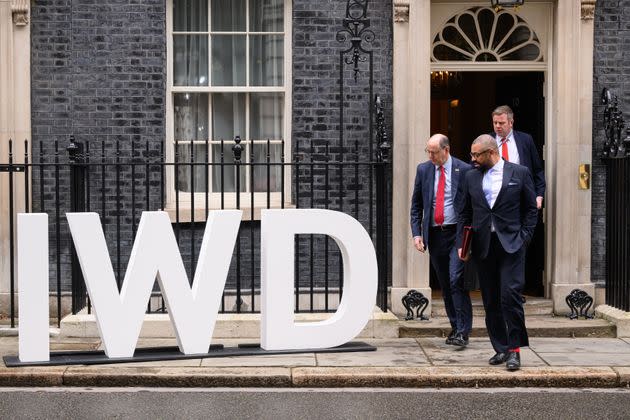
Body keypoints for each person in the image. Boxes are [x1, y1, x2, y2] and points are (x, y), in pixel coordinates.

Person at [457, 134, 538, 371]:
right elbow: (464, 212)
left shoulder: (519, 173)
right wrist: (463, 243)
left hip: (512, 244)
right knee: (490, 300)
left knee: (509, 296)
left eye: (476, 154)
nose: (472, 159)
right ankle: (501, 348)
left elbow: (531, 209)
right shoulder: (471, 176)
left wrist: (524, 238)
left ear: (491, 153)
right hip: (484, 246)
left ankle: (514, 350)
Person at [410, 134, 472, 347]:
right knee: (445, 284)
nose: (430, 156)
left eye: (434, 152)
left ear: (446, 150)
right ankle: (455, 327)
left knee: (457, 281)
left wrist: (468, 237)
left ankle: (463, 331)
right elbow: (416, 205)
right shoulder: (424, 170)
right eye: (428, 151)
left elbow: (472, 205)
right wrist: (417, 234)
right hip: (435, 235)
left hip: (457, 234)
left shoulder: (464, 170)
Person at [491, 105, 545, 209]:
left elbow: (537, 170)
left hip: (522, 197)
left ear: (511, 122)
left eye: (501, 123)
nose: (497, 126)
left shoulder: (525, 140)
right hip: (495, 199)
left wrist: (539, 195)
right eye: (495, 123)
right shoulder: (487, 141)